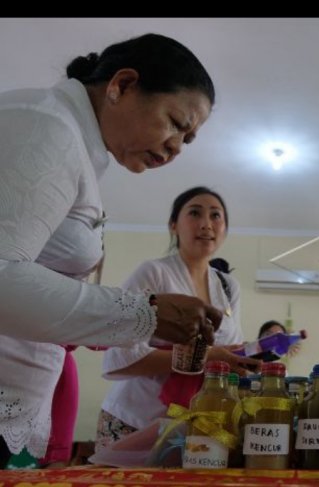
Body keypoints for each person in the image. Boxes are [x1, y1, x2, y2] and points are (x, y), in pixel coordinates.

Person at [0, 33, 221, 466]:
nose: (177, 147)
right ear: (122, 85)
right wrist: (147, 313)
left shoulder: (72, 141)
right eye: (176, 123)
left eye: (188, 139)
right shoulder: (45, 126)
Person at [96, 187, 259, 449]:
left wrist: (251, 354)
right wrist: (206, 356)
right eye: (195, 213)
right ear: (173, 225)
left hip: (197, 423)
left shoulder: (229, 286)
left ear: (225, 229)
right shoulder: (155, 273)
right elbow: (119, 355)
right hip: (134, 419)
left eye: (216, 216)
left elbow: (230, 346)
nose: (206, 224)